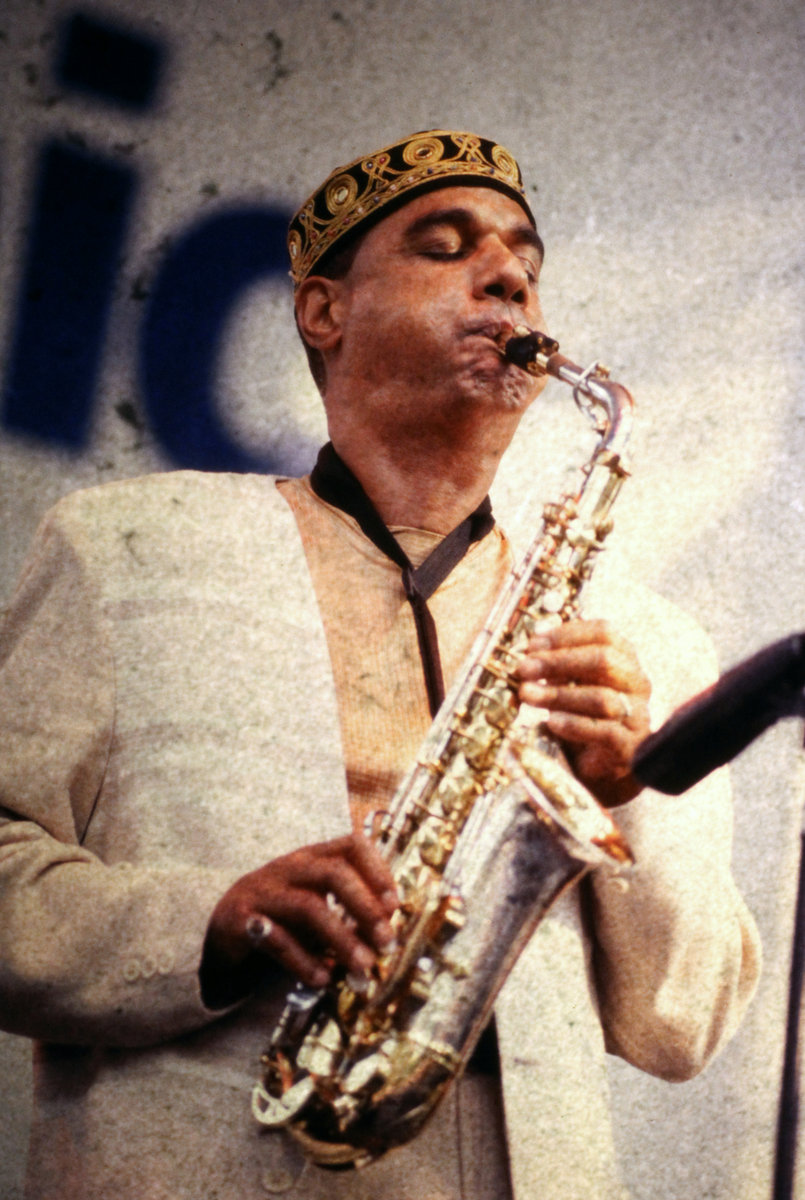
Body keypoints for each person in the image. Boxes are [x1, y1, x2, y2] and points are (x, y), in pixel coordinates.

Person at [0, 130, 759, 1200]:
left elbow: (685, 1024)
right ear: (324, 311)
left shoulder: (642, 640)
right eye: (444, 246)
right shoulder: (123, 550)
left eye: (525, 264)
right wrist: (211, 921)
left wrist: (628, 802)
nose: (506, 277)